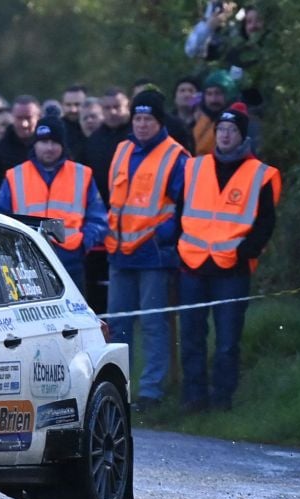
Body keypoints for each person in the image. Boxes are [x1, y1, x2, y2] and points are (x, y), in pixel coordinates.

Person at [178, 103, 279, 412]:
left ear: (242, 136)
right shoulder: (195, 166)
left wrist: (243, 254)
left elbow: (265, 223)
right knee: (192, 336)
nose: (223, 135)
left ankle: (222, 400)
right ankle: (194, 399)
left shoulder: (261, 174)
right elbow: (179, 211)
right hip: (193, 264)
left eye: (231, 130)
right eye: (220, 129)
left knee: (227, 342)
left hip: (232, 269)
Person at [105, 90, 189, 412]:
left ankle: (151, 392)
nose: (141, 125)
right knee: (118, 326)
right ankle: (116, 391)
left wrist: (164, 235)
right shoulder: (122, 149)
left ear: (159, 121)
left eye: (147, 119)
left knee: (154, 326)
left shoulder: (176, 156)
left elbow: (183, 207)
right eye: (137, 118)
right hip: (120, 251)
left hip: (153, 255)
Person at [0, 116, 107, 291]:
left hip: (70, 260)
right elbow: (1, 219)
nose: (49, 147)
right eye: (44, 141)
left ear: (63, 145)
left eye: (54, 142)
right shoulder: (15, 175)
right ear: (35, 144)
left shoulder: (82, 174)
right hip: (26, 261)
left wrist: (83, 244)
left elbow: (99, 219)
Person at [0, 95, 41, 193]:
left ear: (38, 117)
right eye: (19, 118)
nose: (24, 124)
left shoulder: (51, 148)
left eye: (28, 118)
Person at [82, 87, 131, 205]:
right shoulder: (94, 139)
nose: (112, 112)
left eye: (117, 107)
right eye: (107, 108)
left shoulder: (138, 136)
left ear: (127, 107)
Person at [193, 70, 238, 155]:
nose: (213, 99)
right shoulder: (194, 120)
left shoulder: (240, 124)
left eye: (218, 93)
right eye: (209, 94)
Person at [61, 84, 89, 161]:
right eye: (68, 105)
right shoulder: (58, 129)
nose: (73, 109)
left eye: (77, 104)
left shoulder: (96, 128)